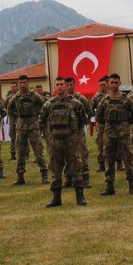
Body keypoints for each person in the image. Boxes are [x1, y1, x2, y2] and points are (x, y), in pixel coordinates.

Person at [40, 77, 88, 207]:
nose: (60, 87)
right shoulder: (49, 104)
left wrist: (75, 136)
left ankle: (80, 196)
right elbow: (41, 121)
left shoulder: (75, 103)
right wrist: (48, 137)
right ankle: (56, 198)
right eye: (57, 85)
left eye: (62, 84)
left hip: (71, 141)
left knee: (76, 168)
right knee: (55, 170)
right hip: (55, 142)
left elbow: (83, 120)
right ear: (54, 87)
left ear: (66, 86)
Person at [96, 74, 133, 196]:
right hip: (109, 133)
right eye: (112, 82)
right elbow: (99, 116)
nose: (114, 84)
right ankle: (109, 186)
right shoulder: (104, 100)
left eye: (116, 82)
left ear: (120, 83)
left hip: (124, 133)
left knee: (128, 158)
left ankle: (132, 185)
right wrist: (109, 125)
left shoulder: (126, 99)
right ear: (108, 84)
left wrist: (126, 123)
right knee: (109, 159)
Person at [7, 76, 48, 184]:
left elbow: (44, 106)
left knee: (38, 150)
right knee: (20, 151)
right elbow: (9, 109)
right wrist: (17, 117)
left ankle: (44, 173)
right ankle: (20, 176)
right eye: (20, 83)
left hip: (33, 126)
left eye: (24, 82)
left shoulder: (35, 96)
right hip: (21, 127)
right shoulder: (15, 97)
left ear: (28, 83)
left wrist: (37, 115)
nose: (22, 84)